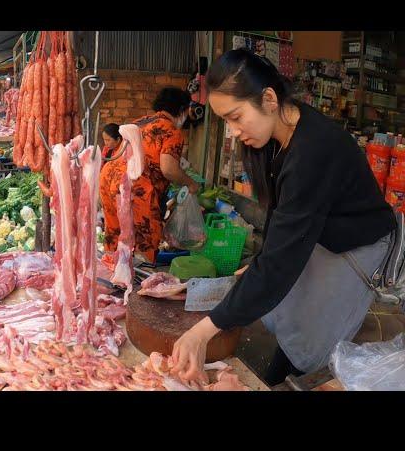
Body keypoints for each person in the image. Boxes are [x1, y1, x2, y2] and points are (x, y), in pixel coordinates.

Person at [170, 48, 397, 387]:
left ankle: (301, 375)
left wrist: (204, 330)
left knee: (314, 333)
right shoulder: (275, 138)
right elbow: (282, 221)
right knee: (285, 307)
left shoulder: (314, 150)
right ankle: (283, 370)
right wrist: (262, 258)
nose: (233, 132)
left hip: (358, 243)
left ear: (270, 98)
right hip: (322, 231)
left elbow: (281, 263)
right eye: (226, 122)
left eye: (236, 117)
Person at [99, 87, 199, 263]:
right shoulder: (171, 130)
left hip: (109, 178)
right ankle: (138, 284)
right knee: (144, 244)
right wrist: (190, 183)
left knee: (115, 234)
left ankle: (113, 281)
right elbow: (169, 169)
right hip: (136, 186)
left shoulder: (140, 122)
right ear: (182, 110)